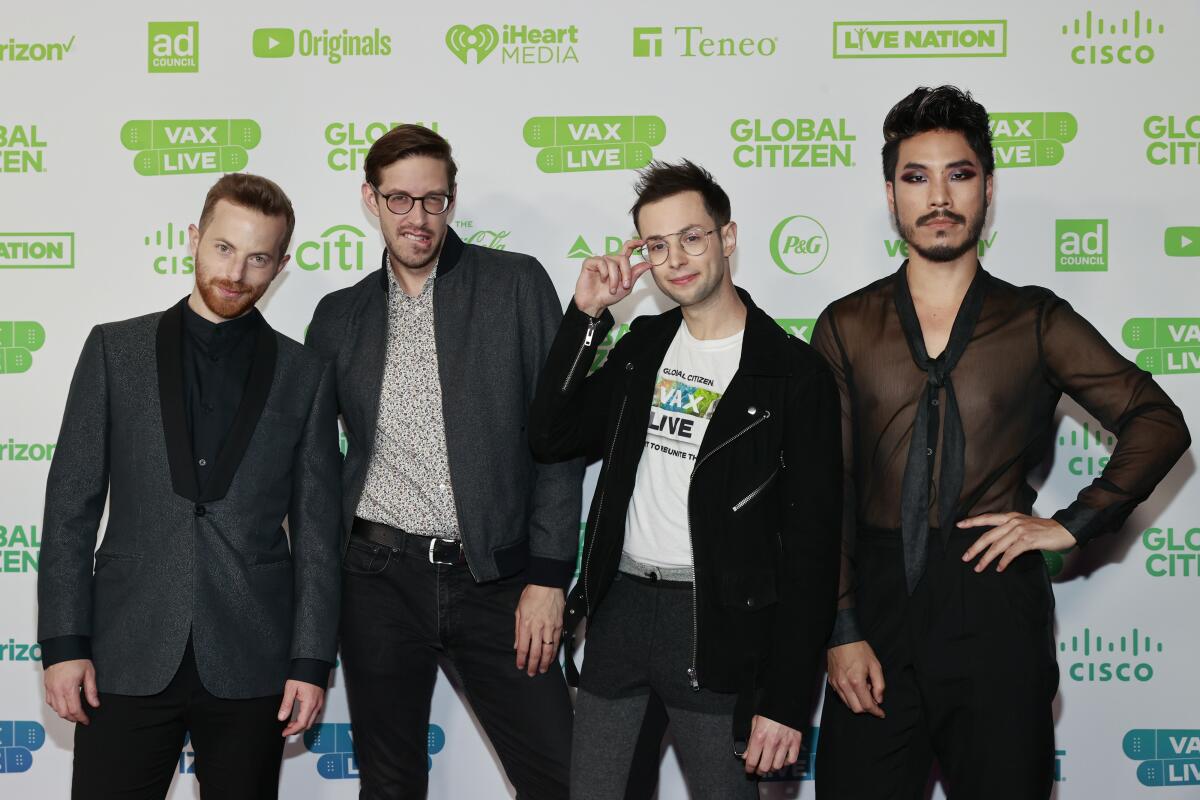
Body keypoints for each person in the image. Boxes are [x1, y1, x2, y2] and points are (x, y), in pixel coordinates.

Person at [813, 85, 1191, 799]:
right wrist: (841, 628)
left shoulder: (1035, 319)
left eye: (958, 174)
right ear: (891, 193)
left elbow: (1158, 421)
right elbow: (826, 486)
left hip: (995, 616)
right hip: (877, 621)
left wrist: (1071, 522)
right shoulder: (846, 325)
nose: (938, 197)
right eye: (915, 177)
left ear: (987, 186)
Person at [528, 159, 842, 798]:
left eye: (692, 237)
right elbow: (550, 436)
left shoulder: (792, 375)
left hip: (718, 627)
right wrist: (587, 317)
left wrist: (785, 702)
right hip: (619, 613)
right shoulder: (641, 345)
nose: (676, 258)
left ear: (727, 239)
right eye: (657, 245)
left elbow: (811, 555)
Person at [39, 173, 342, 799]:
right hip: (125, 649)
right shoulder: (113, 350)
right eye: (224, 248)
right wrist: (65, 644)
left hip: (252, 655)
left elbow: (318, 532)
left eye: (259, 257)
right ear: (193, 240)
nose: (237, 272)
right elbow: (70, 506)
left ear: (281, 265)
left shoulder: (304, 374)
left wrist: (311, 663)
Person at [305, 124, 582, 799]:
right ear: (370, 200)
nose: (417, 218)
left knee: (567, 777)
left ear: (452, 203)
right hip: (377, 581)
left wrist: (548, 578)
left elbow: (560, 441)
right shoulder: (338, 318)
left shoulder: (516, 285)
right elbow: (312, 473)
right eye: (399, 200)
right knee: (391, 782)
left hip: (497, 582)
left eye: (433, 200)